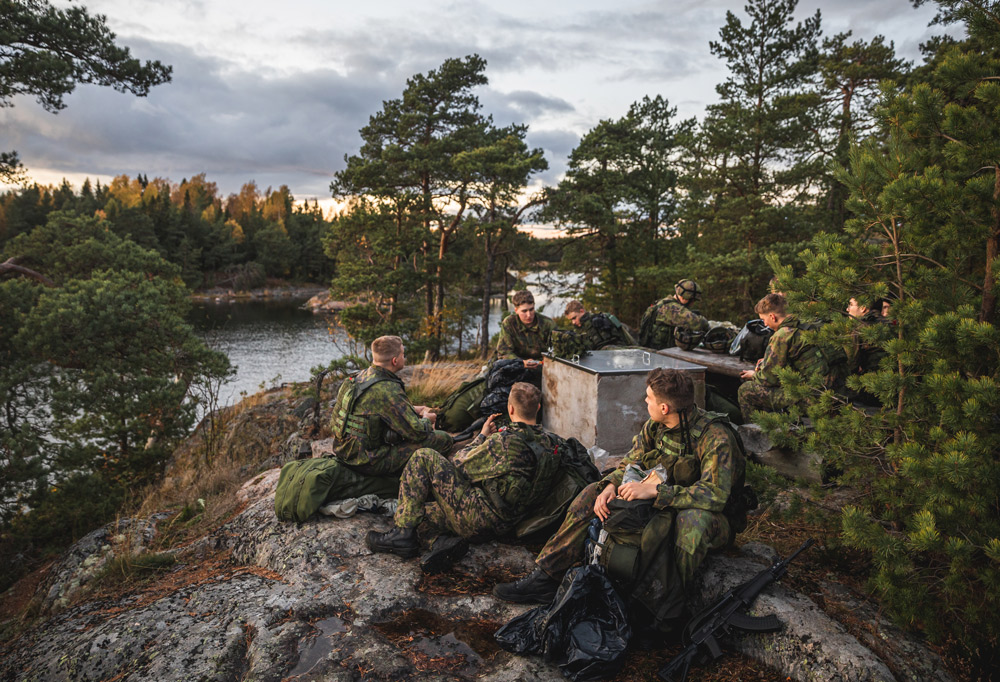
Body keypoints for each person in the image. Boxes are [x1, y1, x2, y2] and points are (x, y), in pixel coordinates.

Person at [493, 368, 742, 605]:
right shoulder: (654, 427)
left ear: (664, 407)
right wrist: (610, 484)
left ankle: (665, 609)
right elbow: (630, 462)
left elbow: (716, 495)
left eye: (649, 399)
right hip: (666, 503)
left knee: (691, 523)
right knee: (593, 493)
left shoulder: (714, 437)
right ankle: (548, 575)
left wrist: (657, 491)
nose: (646, 402)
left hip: (712, 519)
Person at [365, 382, 562, 573]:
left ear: (510, 409)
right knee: (419, 513)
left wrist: (481, 438)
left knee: (423, 457)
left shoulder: (505, 442)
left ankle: (401, 535)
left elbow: (459, 465)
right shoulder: (551, 443)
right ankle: (441, 543)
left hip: (481, 519)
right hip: (513, 521)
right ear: (537, 407)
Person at [329, 335, 453, 477]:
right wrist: (427, 419)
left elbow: (374, 409)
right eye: (403, 355)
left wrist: (410, 409)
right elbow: (417, 433)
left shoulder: (357, 377)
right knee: (443, 439)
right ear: (395, 361)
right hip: (366, 461)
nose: (404, 358)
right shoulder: (388, 389)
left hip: (343, 451)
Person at [737, 293, 830, 417]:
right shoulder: (810, 325)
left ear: (772, 316)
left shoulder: (782, 335)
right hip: (836, 393)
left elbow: (768, 378)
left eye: (764, 320)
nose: (765, 324)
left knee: (746, 390)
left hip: (814, 399)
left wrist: (754, 375)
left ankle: (757, 434)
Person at [637, 279, 709, 350]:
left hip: (657, 351)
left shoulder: (664, 303)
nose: (692, 303)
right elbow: (698, 323)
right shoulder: (671, 308)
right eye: (692, 300)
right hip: (659, 355)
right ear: (684, 297)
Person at [494, 289, 556, 369]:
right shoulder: (509, 323)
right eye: (524, 311)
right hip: (516, 365)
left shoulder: (548, 324)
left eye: (531, 309)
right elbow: (504, 352)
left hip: (541, 365)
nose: (529, 315)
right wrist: (521, 363)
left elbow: (557, 352)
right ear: (516, 310)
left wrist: (545, 361)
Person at [552, 300, 635, 356]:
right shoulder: (576, 330)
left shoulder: (602, 318)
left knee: (642, 352)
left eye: (574, 318)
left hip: (616, 350)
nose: (573, 322)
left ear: (582, 311)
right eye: (571, 320)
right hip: (597, 358)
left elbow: (625, 334)